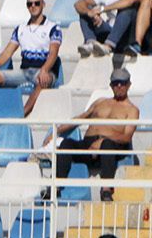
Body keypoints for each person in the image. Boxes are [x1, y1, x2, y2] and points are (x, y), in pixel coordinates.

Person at [53, 74, 138, 204]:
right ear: (111, 86)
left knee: (107, 145)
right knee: (66, 143)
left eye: (122, 83)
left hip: (111, 146)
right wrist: (56, 132)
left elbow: (126, 137)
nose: (119, 86)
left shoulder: (132, 110)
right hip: (88, 145)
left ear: (129, 85)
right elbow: (81, 118)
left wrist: (102, 140)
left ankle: (106, 189)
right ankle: (56, 186)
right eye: (116, 83)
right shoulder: (100, 102)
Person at [0, 0, 60, 117]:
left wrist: (44, 70)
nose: (33, 6)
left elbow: (53, 53)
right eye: (29, 4)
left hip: (43, 70)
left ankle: (21, 114)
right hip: (24, 72)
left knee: (44, 80)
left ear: (43, 5)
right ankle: (0, 111)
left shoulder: (53, 28)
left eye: (37, 3)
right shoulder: (20, 28)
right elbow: (8, 52)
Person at [73, 0, 146, 58]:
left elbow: (131, 0)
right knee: (84, 11)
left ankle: (108, 46)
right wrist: (90, 13)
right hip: (110, 31)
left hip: (128, 35)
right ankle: (90, 43)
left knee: (126, 10)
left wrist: (102, 9)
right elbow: (79, 3)